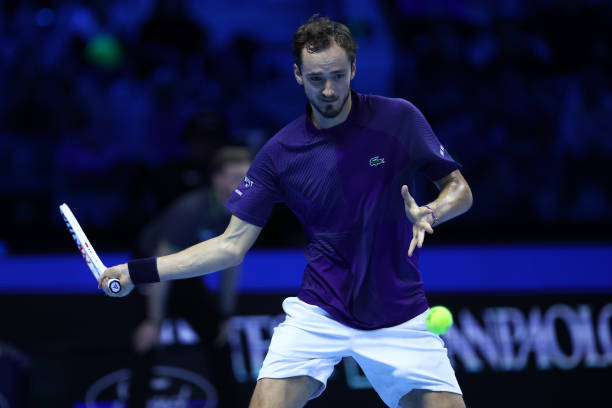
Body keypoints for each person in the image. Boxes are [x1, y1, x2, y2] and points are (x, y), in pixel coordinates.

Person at [100, 15, 473, 408]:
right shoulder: (280, 154)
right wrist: (137, 271)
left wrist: (431, 212)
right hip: (320, 312)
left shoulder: (399, 118)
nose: (328, 90)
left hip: (401, 314)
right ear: (297, 74)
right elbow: (229, 246)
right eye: (315, 79)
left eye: (338, 75)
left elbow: (459, 189)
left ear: (354, 68)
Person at [128, 145, 252, 407]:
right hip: (150, 269)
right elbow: (160, 266)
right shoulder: (189, 211)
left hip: (186, 272)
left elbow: (232, 264)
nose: (242, 184)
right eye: (234, 177)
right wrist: (153, 320)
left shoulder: (243, 212)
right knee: (146, 341)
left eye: (247, 177)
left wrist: (225, 315)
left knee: (219, 336)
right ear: (216, 178)